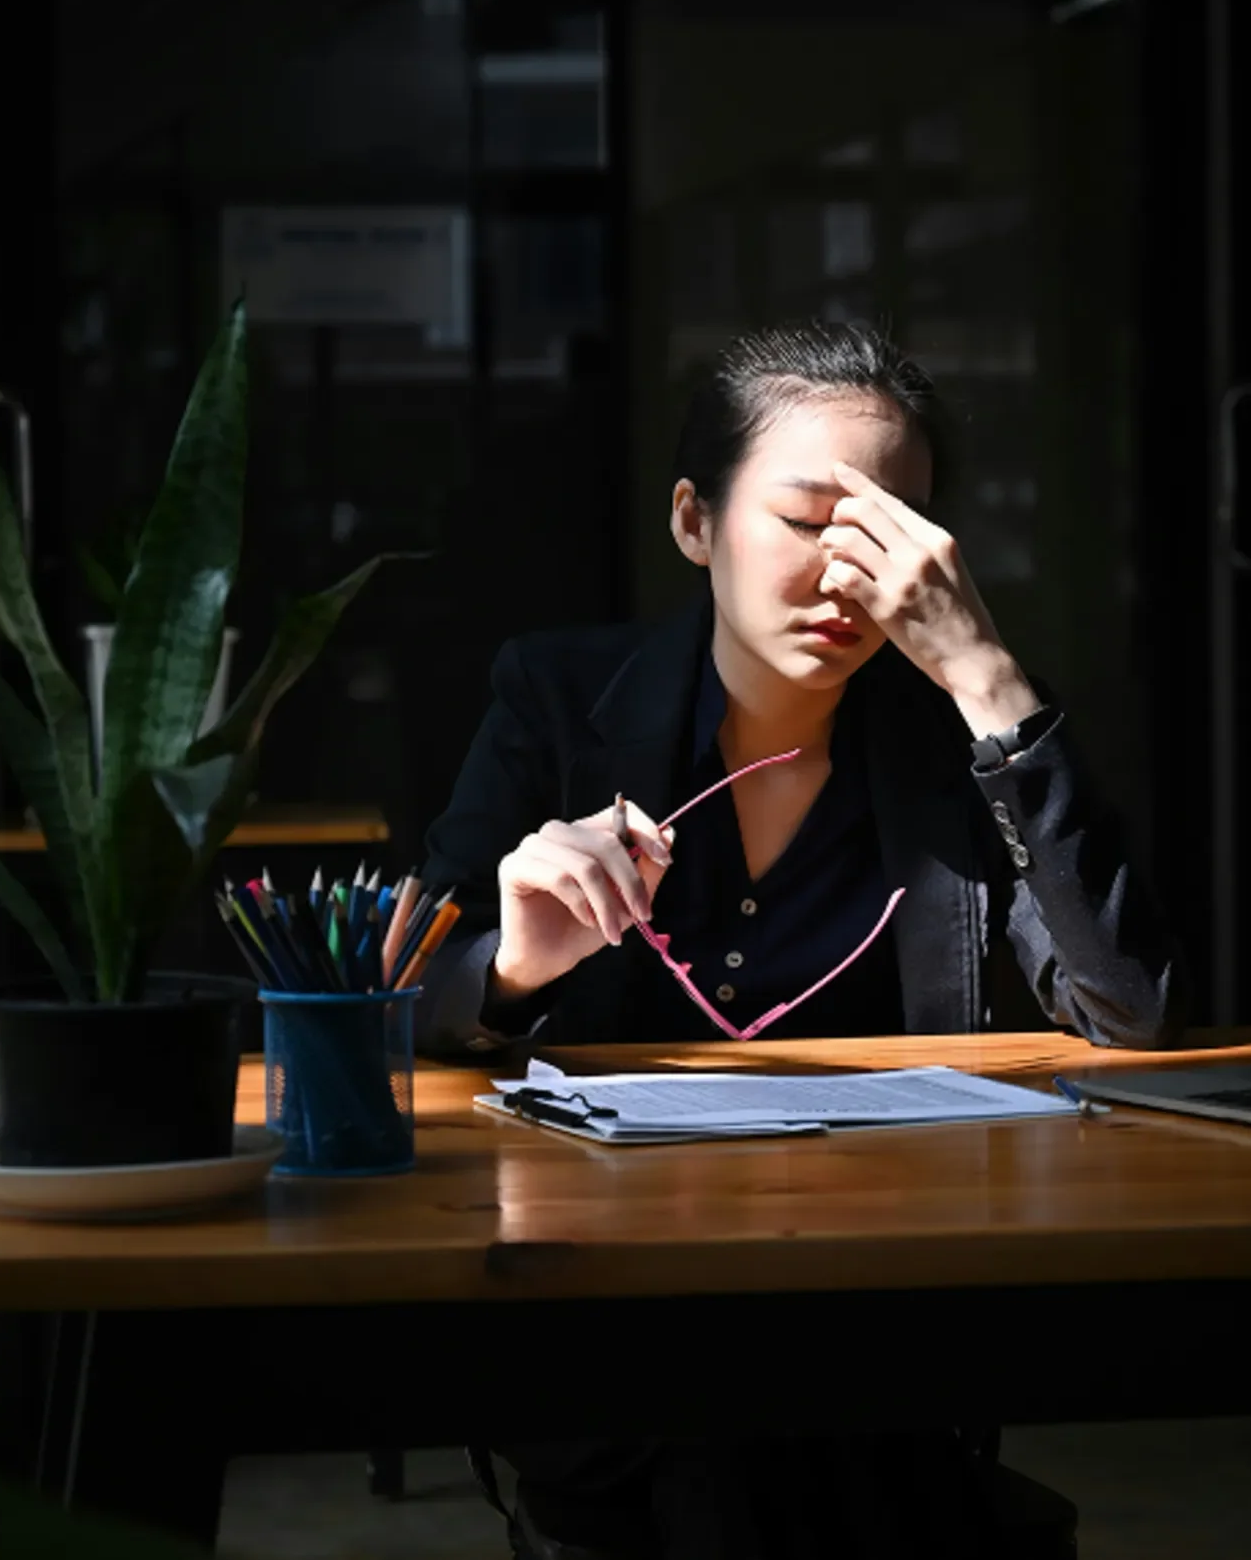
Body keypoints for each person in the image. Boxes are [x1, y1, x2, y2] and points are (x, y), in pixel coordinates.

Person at [418, 321, 1186, 1558]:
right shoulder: (557, 700)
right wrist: (509, 972)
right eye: (807, 521)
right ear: (693, 522)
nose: (850, 578)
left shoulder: (959, 743)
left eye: (889, 535)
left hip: (884, 1313)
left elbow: (1128, 1008)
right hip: (613, 1317)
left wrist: (985, 672)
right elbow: (394, 1004)